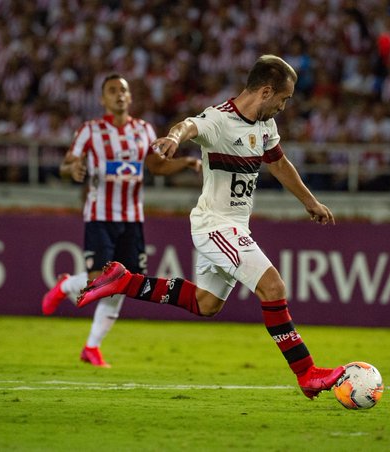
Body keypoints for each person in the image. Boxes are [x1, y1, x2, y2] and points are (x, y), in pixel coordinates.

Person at [76, 55, 345, 398]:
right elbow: (190, 125)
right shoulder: (219, 119)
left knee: (206, 304)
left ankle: (124, 281)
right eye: (283, 99)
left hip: (235, 227)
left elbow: (278, 164)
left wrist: (310, 202)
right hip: (215, 226)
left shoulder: (264, 125)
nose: (283, 106)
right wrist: (173, 139)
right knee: (273, 288)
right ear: (266, 91)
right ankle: (307, 372)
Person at [41, 73, 201, 367]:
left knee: (125, 283)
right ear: (102, 99)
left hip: (132, 218)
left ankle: (91, 347)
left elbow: (156, 166)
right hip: (100, 215)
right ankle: (65, 286)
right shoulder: (90, 131)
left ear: (130, 97)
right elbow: (67, 164)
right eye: (111, 91)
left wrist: (186, 162)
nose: (118, 95)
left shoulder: (143, 130)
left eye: (123, 90)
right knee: (98, 279)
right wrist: (72, 171)